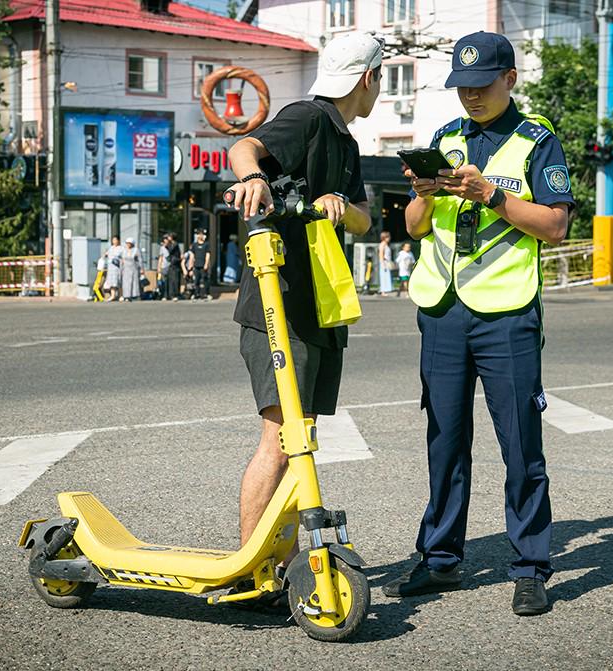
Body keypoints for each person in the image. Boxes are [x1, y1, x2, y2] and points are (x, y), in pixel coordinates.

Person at [383, 31, 573, 617]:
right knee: (444, 440)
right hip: (441, 310)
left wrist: (491, 195)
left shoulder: (537, 141)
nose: (470, 97)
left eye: (482, 85)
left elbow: (556, 226)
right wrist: (421, 192)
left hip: (506, 314)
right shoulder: (444, 139)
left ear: (509, 79)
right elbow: (416, 227)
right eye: (462, 87)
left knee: (520, 443)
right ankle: (440, 559)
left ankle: (531, 566)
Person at [225, 31, 380, 603]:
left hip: (319, 308)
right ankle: (250, 565)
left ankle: (282, 559)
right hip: (278, 306)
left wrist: (344, 210)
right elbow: (244, 147)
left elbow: (364, 219)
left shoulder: (347, 144)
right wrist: (254, 177)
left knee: (301, 439)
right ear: (369, 79)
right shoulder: (310, 120)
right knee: (278, 439)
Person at [190, 229, 212, 300]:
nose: (200, 236)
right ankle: (197, 294)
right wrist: (191, 265)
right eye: (199, 234)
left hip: (203, 265)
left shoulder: (206, 244)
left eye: (202, 234)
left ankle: (206, 293)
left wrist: (206, 264)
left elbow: (208, 255)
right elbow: (192, 255)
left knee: (205, 279)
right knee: (196, 280)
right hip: (196, 265)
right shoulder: (194, 245)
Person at [120, 237, 144, 302]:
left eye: (129, 243)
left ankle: (135, 295)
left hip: (134, 268)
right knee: (126, 283)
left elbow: (140, 260)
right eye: (127, 243)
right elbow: (122, 260)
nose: (128, 244)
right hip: (125, 268)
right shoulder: (124, 250)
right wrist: (121, 269)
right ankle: (126, 296)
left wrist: (142, 269)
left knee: (134, 282)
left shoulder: (136, 250)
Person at [104, 236, 123, 302]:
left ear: (118, 241)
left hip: (117, 267)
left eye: (115, 240)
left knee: (118, 281)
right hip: (110, 268)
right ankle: (113, 295)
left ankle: (120, 295)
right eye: (113, 240)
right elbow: (106, 254)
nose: (114, 241)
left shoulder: (121, 248)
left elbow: (123, 258)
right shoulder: (111, 248)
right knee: (111, 282)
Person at [164, 234, 182, 301]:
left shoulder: (175, 244)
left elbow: (171, 250)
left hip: (175, 263)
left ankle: (175, 294)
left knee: (175, 279)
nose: (167, 238)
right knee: (170, 280)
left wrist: (167, 246)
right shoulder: (171, 244)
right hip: (172, 263)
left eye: (169, 237)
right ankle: (170, 294)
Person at [378, 230, 395, 295]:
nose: (389, 238)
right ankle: (383, 291)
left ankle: (386, 289)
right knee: (383, 276)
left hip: (387, 261)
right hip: (384, 261)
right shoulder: (382, 244)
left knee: (386, 275)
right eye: (388, 237)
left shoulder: (386, 244)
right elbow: (381, 254)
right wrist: (382, 263)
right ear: (384, 237)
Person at [156, 234, 171, 299]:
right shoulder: (162, 248)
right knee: (163, 282)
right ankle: (164, 295)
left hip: (170, 266)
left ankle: (169, 295)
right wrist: (159, 267)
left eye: (167, 239)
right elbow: (160, 258)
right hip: (164, 266)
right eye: (165, 239)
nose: (166, 240)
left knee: (170, 282)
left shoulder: (172, 247)